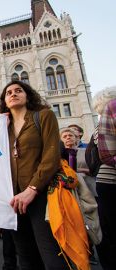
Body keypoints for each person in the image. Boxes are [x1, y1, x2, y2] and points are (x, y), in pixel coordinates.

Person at [0, 81, 69, 269]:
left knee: (51, 255)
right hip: (14, 199)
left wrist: (32, 189)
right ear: (5, 101)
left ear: (27, 95)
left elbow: (52, 156)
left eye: (18, 91)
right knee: (26, 257)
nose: (13, 94)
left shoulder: (43, 116)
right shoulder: (1, 129)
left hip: (41, 195)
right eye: (9, 93)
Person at [92, 87, 116, 270]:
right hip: (109, 182)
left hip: (104, 183)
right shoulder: (102, 124)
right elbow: (106, 154)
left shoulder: (97, 128)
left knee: (106, 228)